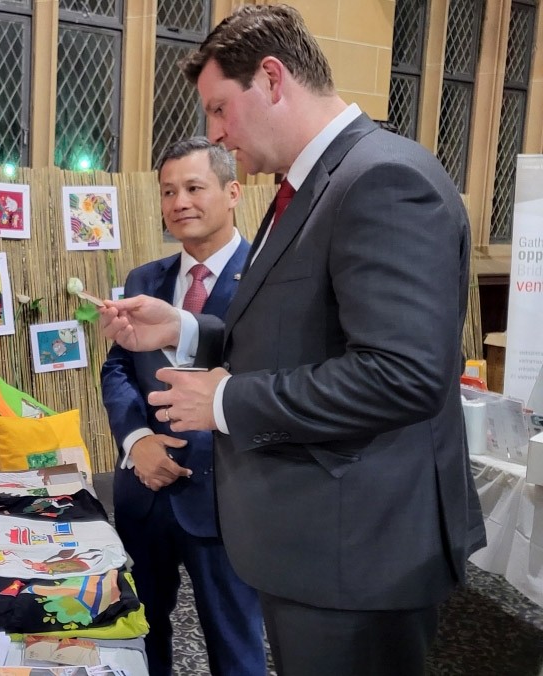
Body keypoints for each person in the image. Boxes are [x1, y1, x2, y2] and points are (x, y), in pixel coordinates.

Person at [99, 5, 485, 675]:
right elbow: (294, 336)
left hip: (360, 553)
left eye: (220, 109)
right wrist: (187, 328)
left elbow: (401, 374)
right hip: (315, 542)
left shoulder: (382, 181)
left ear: (272, 79)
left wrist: (225, 403)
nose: (217, 132)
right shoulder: (309, 189)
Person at [101, 137, 264, 676]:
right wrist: (136, 442)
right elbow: (118, 368)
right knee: (141, 631)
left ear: (232, 191)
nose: (179, 203)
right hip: (145, 491)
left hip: (228, 497)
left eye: (194, 187)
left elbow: (266, 379)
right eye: (168, 191)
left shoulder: (266, 280)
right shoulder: (144, 280)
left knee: (234, 642)